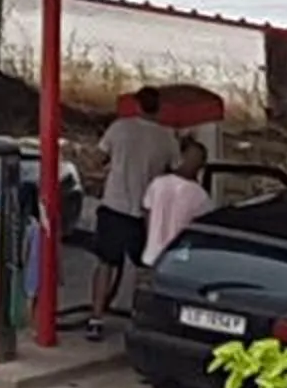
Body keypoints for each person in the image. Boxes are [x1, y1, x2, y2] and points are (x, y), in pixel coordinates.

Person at [86, 85, 182, 340]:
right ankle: (141, 318)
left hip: (114, 205)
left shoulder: (120, 128)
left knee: (105, 263)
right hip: (146, 212)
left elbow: (96, 159)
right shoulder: (167, 137)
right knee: (144, 268)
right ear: (158, 108)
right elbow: (179, 171)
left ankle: (96, 318)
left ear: (137, 105)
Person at [141, 137, 212, 270]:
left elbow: (147, 214)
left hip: (151, 256)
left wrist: (151, 238)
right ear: (201, 166)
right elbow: (201, 232)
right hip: (178, 261)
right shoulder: (201, 196)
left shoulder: (158, 183)